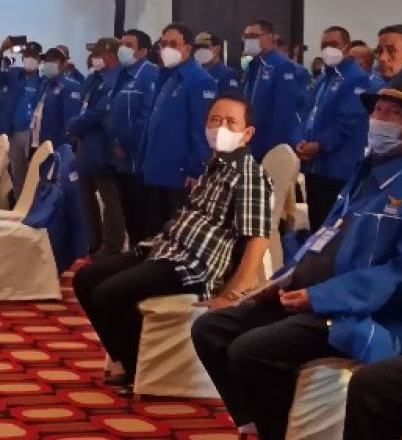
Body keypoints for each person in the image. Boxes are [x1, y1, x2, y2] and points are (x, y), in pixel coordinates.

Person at [192, 72, 402, 440]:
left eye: (394, 113)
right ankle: (271, 430)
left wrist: (320, 297)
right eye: (378, 110)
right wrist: (282, 280)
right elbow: (324, 238)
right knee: (211, 329)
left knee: (252, 350)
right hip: (309, 293)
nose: (380, 118)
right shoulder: (368, 170)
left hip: (360, 310)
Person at [73, 93, 272, 394]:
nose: (221, 128)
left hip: (191, 265)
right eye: (215, 121)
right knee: (85, 278)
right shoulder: (215, 165)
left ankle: (138, 366)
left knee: (109, 295)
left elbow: (258, 238)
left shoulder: (250, 176)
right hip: (166, 249)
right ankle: (126, 357)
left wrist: (234, 294)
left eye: (231, 122)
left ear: (247, 133)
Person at [139, 24, 217, 234]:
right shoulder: (167, 76)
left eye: (173, 44)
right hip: (157, 168)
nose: (167, 48)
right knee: (154, 230)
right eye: (163, 44)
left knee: (175, 232)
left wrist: (195, 167)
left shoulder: (199, 80)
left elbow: (202, 129)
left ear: (187, 49)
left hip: (179, 174)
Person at [296, 26, 370, 231]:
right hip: (314, 165)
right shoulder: (323, 78)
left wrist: (319, 144)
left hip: (337, 167)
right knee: (316, 223)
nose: (328, 49)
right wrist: (303, 141)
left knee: (331, 227)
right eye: (324, 45)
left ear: (347, 48)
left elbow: (349, 121)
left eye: (334, 45)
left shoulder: (356, 78)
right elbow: (309, 114)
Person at [68, 38, 125, 257]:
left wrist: (74, 124)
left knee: (110, 198)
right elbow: (82, 104)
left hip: (103, 145)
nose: (93, 57)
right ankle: (92, 239)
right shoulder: (94, 78)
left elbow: (101, 112)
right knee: (85, 194)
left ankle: (112, 245)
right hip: (86, 145)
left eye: (97, 53)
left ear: (110, 55)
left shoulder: (116, 79)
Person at [107, 28, 160, 245]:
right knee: (128, 210)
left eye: (129, 45)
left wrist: (126, 144)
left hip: (137, 157)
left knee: (141, 214)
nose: (123, 49)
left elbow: (147, 115)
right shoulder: (122, 73)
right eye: (122, 44)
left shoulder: (150, 73)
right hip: (118, 158)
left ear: (143, 52)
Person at [242, 19, 305, 160]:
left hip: (270, 142)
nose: (248, 40)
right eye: (246, 37)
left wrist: (275, 146)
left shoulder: (282, 66)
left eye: (253, 36)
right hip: (250, 140)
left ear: (269, 37)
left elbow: (284, 110)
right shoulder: (253, 65)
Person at [0, 40, 46, 198]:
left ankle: (32, 206)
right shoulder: (15, 74)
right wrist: (1, 51)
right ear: (23, 58)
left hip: (32, 133)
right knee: (17, 172)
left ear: (39, 59)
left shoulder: (43, 81)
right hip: (13, 131)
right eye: (27, 55)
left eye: (33, 56)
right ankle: (18, 204)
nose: (29, 59)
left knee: (34, 171)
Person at [35, 47, 82, 149]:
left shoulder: (70, 86)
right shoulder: (45, 85)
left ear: (64, 64)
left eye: (53, 61)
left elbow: (70, 119)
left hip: (59, 144)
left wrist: (66, 147)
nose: (48, 64)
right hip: (43, 142)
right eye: (46, 61)